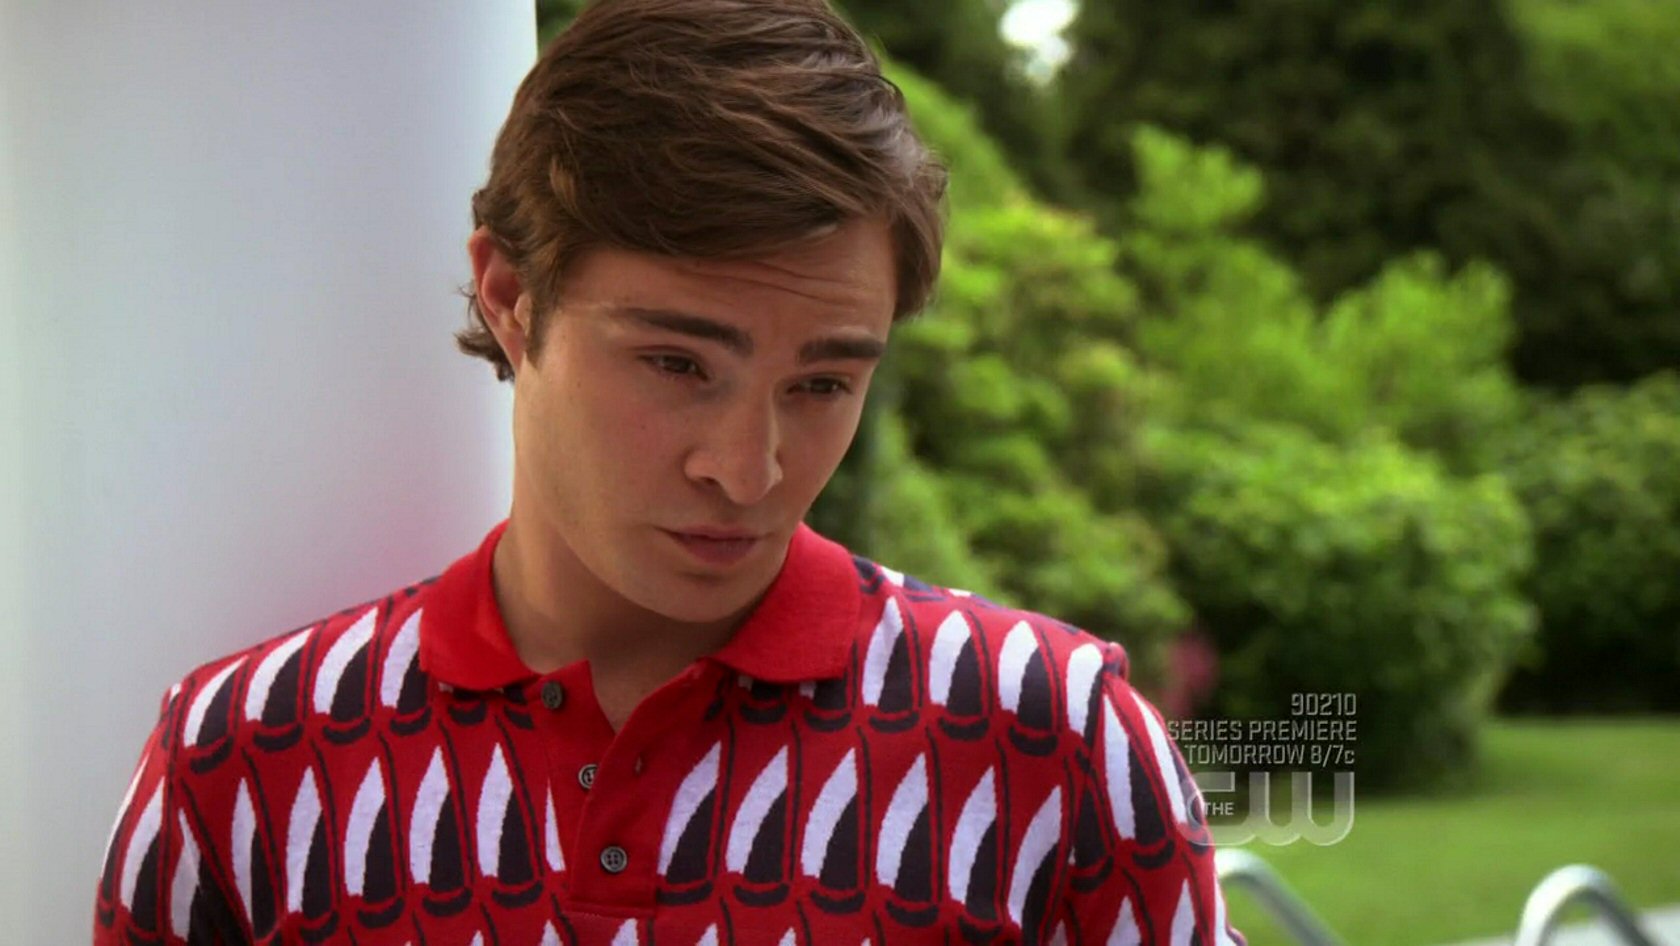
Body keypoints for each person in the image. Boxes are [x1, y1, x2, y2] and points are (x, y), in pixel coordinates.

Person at [95, 0, 1245, 943]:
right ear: (511, 297)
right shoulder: (248, 758)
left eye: (822, 382)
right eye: (678, 364)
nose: (747, 469)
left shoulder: (1049, 739)